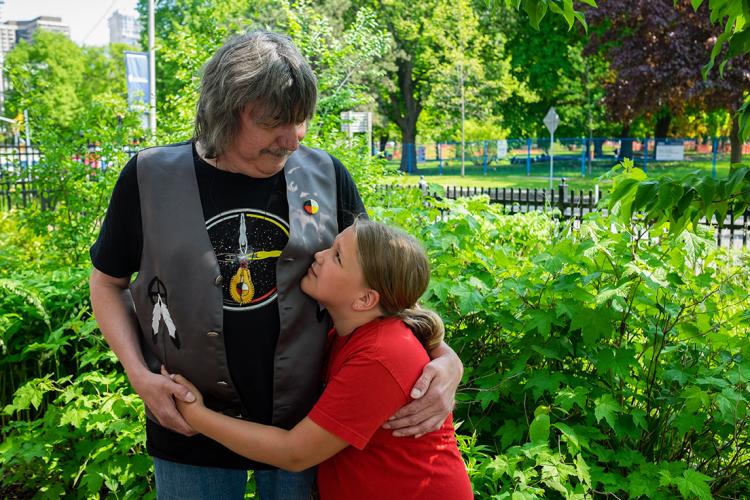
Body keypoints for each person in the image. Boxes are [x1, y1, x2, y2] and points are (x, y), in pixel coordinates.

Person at [88, 30, 463, 499]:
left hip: (306, 426)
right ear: (225, 112)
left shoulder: (327, 175)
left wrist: (445, 360)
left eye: (301, 120)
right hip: (186, 423)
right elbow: (107, 284)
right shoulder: (148, 177)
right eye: (274, 122)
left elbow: (380, 287)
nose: (292, 138)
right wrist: (140, 377)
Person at [168, 220, 473, 499]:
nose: (318, 255)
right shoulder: (347, 331)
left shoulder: (382, 355)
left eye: (337, 256)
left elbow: (295, 453)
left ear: (365, 299)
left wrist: (196, 415)